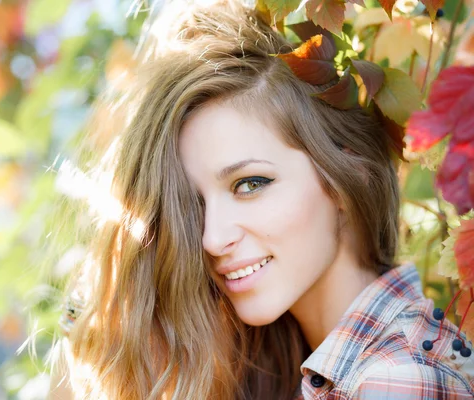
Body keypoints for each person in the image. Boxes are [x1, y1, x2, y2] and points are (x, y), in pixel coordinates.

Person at [49, 0, 474, 398]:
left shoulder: (394, 379)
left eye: (250, 184)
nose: (212, 239)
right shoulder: (308, 366)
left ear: (349, 174)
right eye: (194, 205)